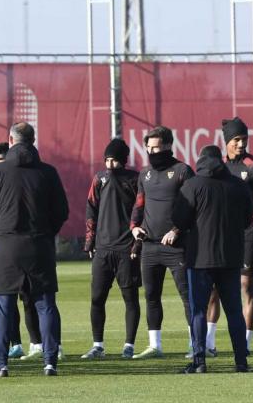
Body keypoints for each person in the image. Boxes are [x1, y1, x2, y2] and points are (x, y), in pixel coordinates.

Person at [0, 122, 68, 377]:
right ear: (33, 140)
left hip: (6, 245)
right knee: (45, 304)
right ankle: (50, 362)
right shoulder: (48, 172)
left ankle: (1, 364)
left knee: (5, 306)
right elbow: (61, 211)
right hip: (39, 244)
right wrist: (46, 233)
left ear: (10, 140)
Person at [173, 145, 252, 373]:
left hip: (199, 259)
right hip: (231, 257)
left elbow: (180, 219)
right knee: (234, 311)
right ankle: (241, 361)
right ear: (221, 159)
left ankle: (199, 362)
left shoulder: (192, 185)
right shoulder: (238, 185)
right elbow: (248, 220)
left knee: (199, 310)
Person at [208, 118, 253, 354]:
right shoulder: (218, 167)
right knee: (213, 288)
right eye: (236, 140)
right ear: (226, 141)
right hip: (222, 236)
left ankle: (244, 344)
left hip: (249, 235)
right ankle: (208, 343)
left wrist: (248, 218)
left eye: (244, 139)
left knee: (247, 286)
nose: (241, 144)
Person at [130, 126, 195, 359]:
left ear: (168, 146)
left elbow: (192, 207)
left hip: (176, 247)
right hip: (149, 246)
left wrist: (177, 230)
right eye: (148, 147)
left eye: (156, 147)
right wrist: (134, 227)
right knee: (151, 296)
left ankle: (195, 344)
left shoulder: (182, 171)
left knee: (187, 296)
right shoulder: (144, 174)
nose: (151, 151)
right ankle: (154, 345)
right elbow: (139, 205)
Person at [81, 138, 141, 359]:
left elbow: (142, 212)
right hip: (102, 250)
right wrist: (90, 239)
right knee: (97, 298)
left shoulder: (136, 179)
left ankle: (129, 346)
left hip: (127, 249)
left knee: (130, 298)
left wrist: (137, 243)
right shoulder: (100, 179)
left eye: (114, 160)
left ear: (123, 161)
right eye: (107, 160)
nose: (110, 165)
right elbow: (91, 208)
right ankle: (98, 345)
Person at [0, 141, 45, 360]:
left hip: (26, 245)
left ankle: (40, 344)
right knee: (5, 301)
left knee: (33, 299)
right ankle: (16, 344)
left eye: (0, 161)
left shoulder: (22, 178)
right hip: (4, 246)